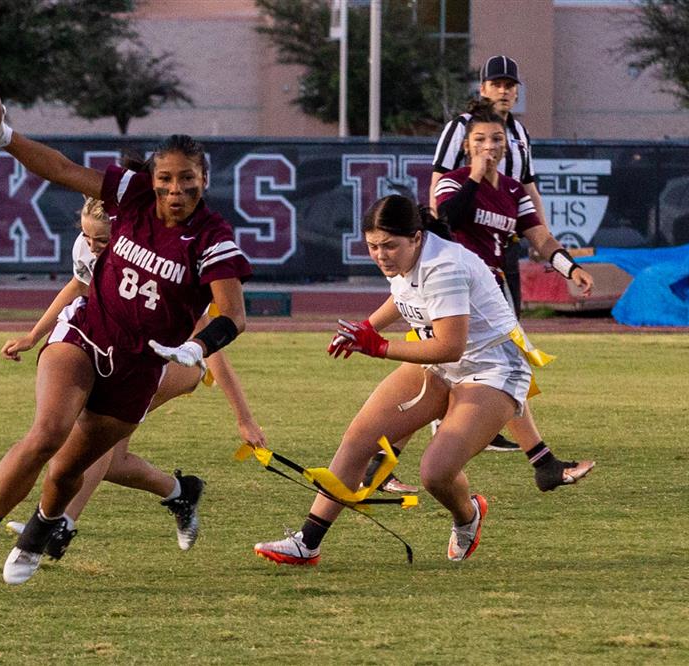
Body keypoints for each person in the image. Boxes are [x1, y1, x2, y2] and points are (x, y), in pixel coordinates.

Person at [0, 103, 252, 585]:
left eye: (187, 178)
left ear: (204, 179)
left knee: (68, 470)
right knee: (46, 433)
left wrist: (197, 348)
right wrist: (4, 137)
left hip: (139, 369)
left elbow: (233, 314)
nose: (175, 188)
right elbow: (61, 169)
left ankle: (42, 528)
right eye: (165, 177)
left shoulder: (211, 238)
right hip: (85, 335)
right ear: (153, 176)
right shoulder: (133, 194)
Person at [254, 194, 533, 565]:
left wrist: (379, 346)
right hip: (444, 363)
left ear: (416, 238)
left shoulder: (444, 266)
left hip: (493, 367)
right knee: (359, 439)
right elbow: (403, 298)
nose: (381, 255)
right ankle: (308, 542)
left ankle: (468, 515)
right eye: (372, 246)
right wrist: (365, 328)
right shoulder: (408, 260)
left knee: (435, 473)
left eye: (389, 246)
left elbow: (450, 346)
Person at [1, 195, 266, 560]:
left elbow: (213, 341)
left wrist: (244, 418)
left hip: (178, 362)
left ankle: (59, 522)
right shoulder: (90, 243)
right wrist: (33, 335)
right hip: (125, 353)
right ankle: (180, 492)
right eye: (87, 237)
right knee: (112, 459)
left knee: (92, 431)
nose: (93, 248)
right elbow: (78, 285)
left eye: (102, 241)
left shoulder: (161, 259)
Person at [368, 98, 594, 494]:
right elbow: (447, 218)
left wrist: (569, 267)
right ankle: (542, 462)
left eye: (496, 138)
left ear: (506, 145)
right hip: (450, 295)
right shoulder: (457, 179)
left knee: (492, 379)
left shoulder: (511, 190)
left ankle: (541, 462)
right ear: (467, 145)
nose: (489, 145)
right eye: (480, 139)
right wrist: (474, 175)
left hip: (487, 296)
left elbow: (538, 236)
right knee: (440, 381)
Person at [431, 54, 543, 452]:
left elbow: (527, 187)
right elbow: (440, 179)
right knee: (455, 349)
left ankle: (487, 422)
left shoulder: (520, 134)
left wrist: (544, 237)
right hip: (459, 251)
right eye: (496, 84)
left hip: (497, 247)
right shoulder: (461, 127)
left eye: (510, 85)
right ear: (482, 88)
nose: (504, 91)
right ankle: (535, 452)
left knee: (494, 341)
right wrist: (439, 236)